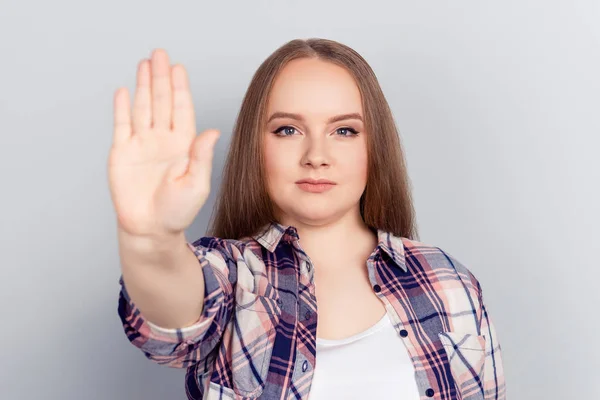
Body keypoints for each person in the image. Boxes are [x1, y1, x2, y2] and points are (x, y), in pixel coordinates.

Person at [108, 38, 506, 400]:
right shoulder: (232, 279)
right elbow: (172, 316)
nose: (316, 155)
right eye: (287, 130)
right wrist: (151, 239)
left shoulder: (448, 282)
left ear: (374, 147)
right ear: (255, 146)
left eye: (344, 131)